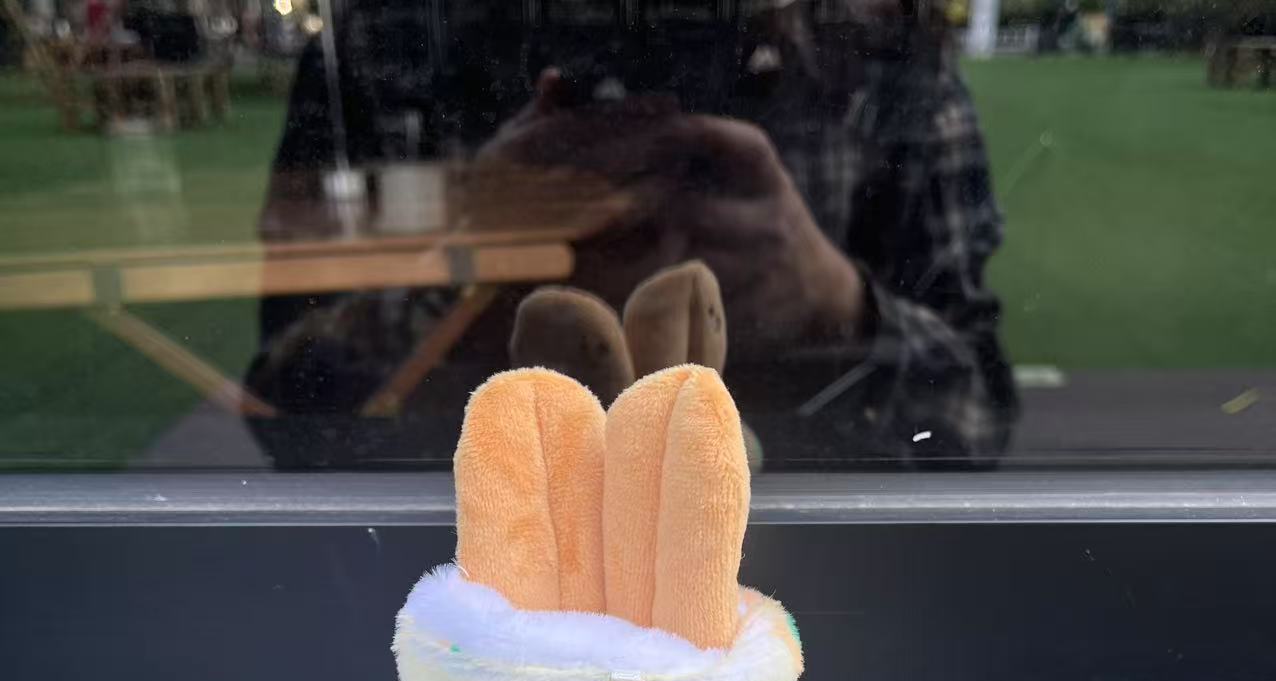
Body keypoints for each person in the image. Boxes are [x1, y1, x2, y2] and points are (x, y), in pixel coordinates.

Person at [247, 0, 1018, 468]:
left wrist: (832, 304)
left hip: (485, 579)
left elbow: (976, 416)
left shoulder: (879, 48)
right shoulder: (388, 40)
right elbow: (290, 412)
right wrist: (471, 274)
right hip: (495, 573)